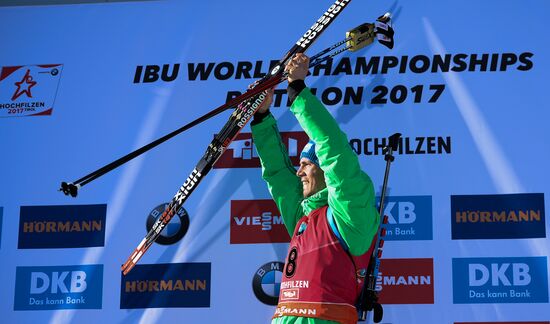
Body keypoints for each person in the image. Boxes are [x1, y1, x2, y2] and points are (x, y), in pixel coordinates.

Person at [250, 53, 380, 324]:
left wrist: (297, 91)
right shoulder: (303, 217)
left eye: (307, 165)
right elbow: (276, 174)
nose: (299, 172)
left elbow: (332, 147)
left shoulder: (350, 214)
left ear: (326, 169)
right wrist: (261, 116)